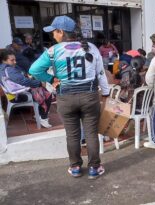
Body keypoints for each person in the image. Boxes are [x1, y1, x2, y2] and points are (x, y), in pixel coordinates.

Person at [29, 16, 110, 179]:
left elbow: (34, 70)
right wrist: (106, 93)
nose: (52, 36)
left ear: (61, 32)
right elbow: (101, 73)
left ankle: (75, 168)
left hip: (65, 98)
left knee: (72, 135)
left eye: (54, 32)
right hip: (90, 96)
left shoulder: (53, 51)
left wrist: (51, 79)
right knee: (91, 133)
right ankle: (94, 168)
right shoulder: (92, 48)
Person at [0, 50, 53, 128]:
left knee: (41, 90)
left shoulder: (3, 68)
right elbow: (23, 81)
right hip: (17, 96)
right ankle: (43, 118)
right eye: (12, 60)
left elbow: (20, 79)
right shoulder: (9, 70)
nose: (15, 62)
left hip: (12, 94)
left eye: (15, 60)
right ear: (4, 60)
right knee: (47, 93)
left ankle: (38, 114)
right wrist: (39, 83)